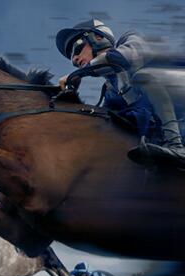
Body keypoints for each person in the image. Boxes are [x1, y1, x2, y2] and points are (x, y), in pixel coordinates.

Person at [55, 19, 185, 168]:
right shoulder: (111, 92)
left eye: (77, 48)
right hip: (167, 132)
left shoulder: (131, 39)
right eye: (72, 58)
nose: (74, 59)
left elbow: (119, 58)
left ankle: (176, 145)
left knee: (144, 78)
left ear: (98, 37)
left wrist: (78, 74)